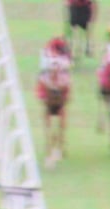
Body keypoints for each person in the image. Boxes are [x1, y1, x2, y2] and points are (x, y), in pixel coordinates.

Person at [36, 36, 73, 167]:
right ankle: (50, 144)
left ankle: (60, 145)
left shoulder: (63, 66)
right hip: (49, 89)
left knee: (61, 116)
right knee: (49, 115)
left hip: (60, 89)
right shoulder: (48, 61)